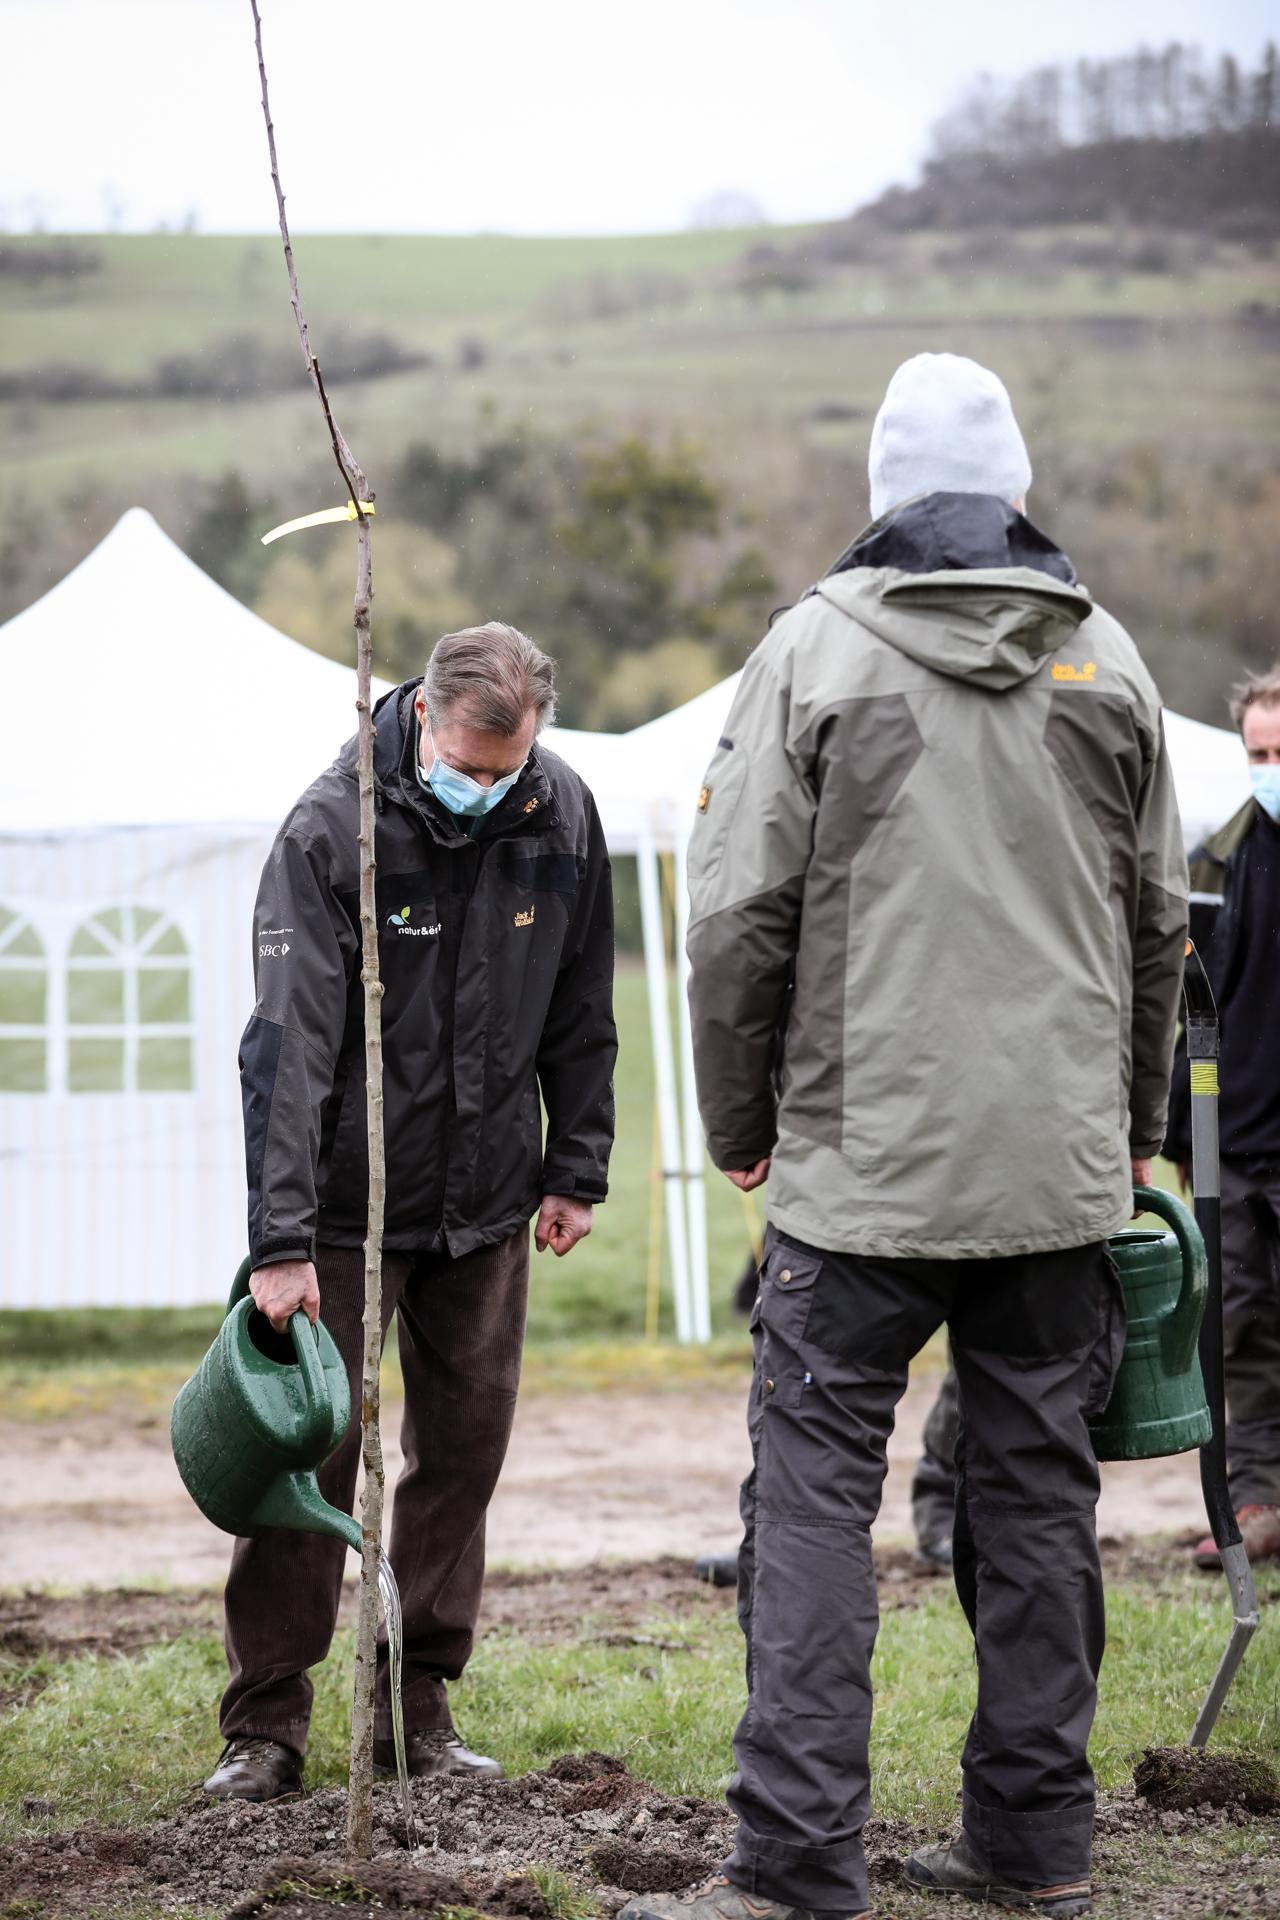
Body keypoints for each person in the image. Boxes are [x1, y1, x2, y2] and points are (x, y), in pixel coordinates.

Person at [627, 353, 1188, 1920]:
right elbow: (1160, 934)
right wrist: (1129, 1138)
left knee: (809, 1505)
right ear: (1016, 488)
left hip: (859, 1177)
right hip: (1061, 1186)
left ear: (882, 496)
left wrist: (745, 1123)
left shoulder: (809, 655)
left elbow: (735, 917)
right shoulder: (1116, 666)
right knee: (1037, 1507)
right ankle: (1035, 1854)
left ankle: (795, 1868)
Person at [204, 621, 617, 1803]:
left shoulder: (558, 812)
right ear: (422, 717)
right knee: (310, 1456)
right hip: (343, 1208)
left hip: (487, 1203)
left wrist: (573, 1164)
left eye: (510, 769)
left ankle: (416, 1708)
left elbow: (583, 1005)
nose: (489, 791)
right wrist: (281, 1244)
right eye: (470, 767)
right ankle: (266, 1725)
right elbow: (283, 1052)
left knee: (461, 1459)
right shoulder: (333, 829)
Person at [1166, 661, 1280, 1570]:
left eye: (1279, 750)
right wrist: (1174, 1130)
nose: (1267, 766)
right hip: (1237, 1134)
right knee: (1238, 1328)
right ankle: (1252, 1499)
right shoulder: (1220, 854)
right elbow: (1189, 1002)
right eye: (1258, 751)